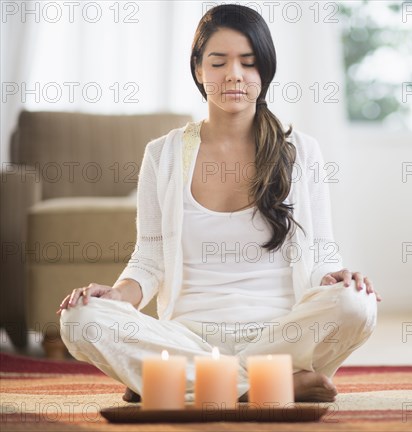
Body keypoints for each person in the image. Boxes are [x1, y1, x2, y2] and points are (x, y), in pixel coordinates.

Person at [57, 4, 380, 404]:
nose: (234, 75)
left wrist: (339, 279)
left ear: (265, 71)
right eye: (218, 62)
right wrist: (119, 295)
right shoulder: (164, 155)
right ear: (198, 69)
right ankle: (268, 383)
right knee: (79, 319)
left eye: (248, 62)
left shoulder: (301, 152)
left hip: (281, 336)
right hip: (187, 334)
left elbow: (321, 254)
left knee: (358, 305)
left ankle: (170, 380)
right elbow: (150, 257)